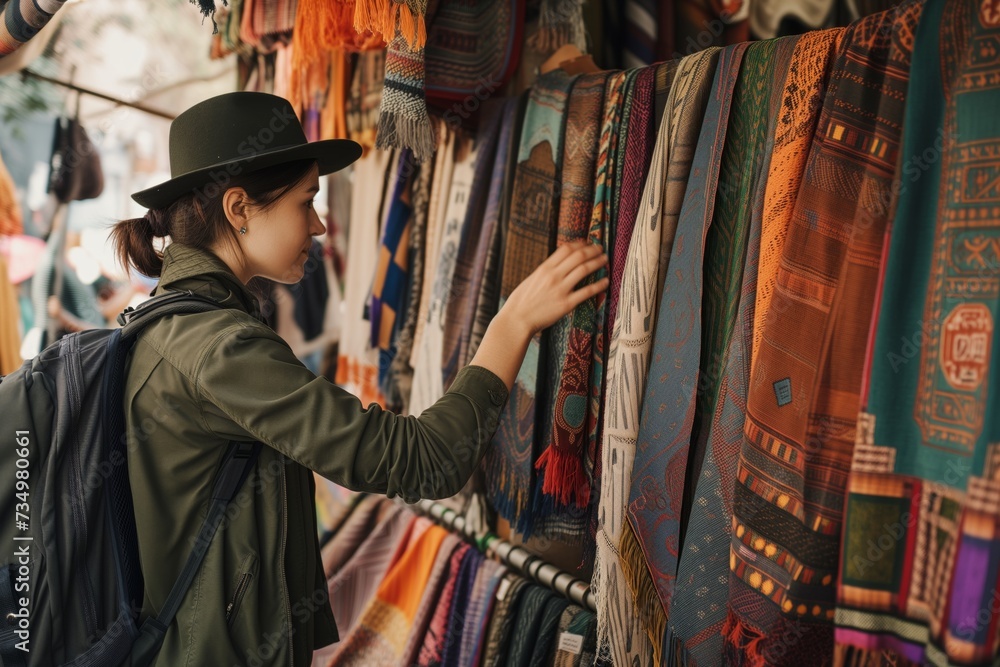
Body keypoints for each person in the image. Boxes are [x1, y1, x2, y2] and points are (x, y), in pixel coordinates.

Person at [110, 91, 609, 665]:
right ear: (239, 208)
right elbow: (428, 459)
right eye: (307, 201)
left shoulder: (171, 323)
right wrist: (513, 322)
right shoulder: (220, 348)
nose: (320, 225)